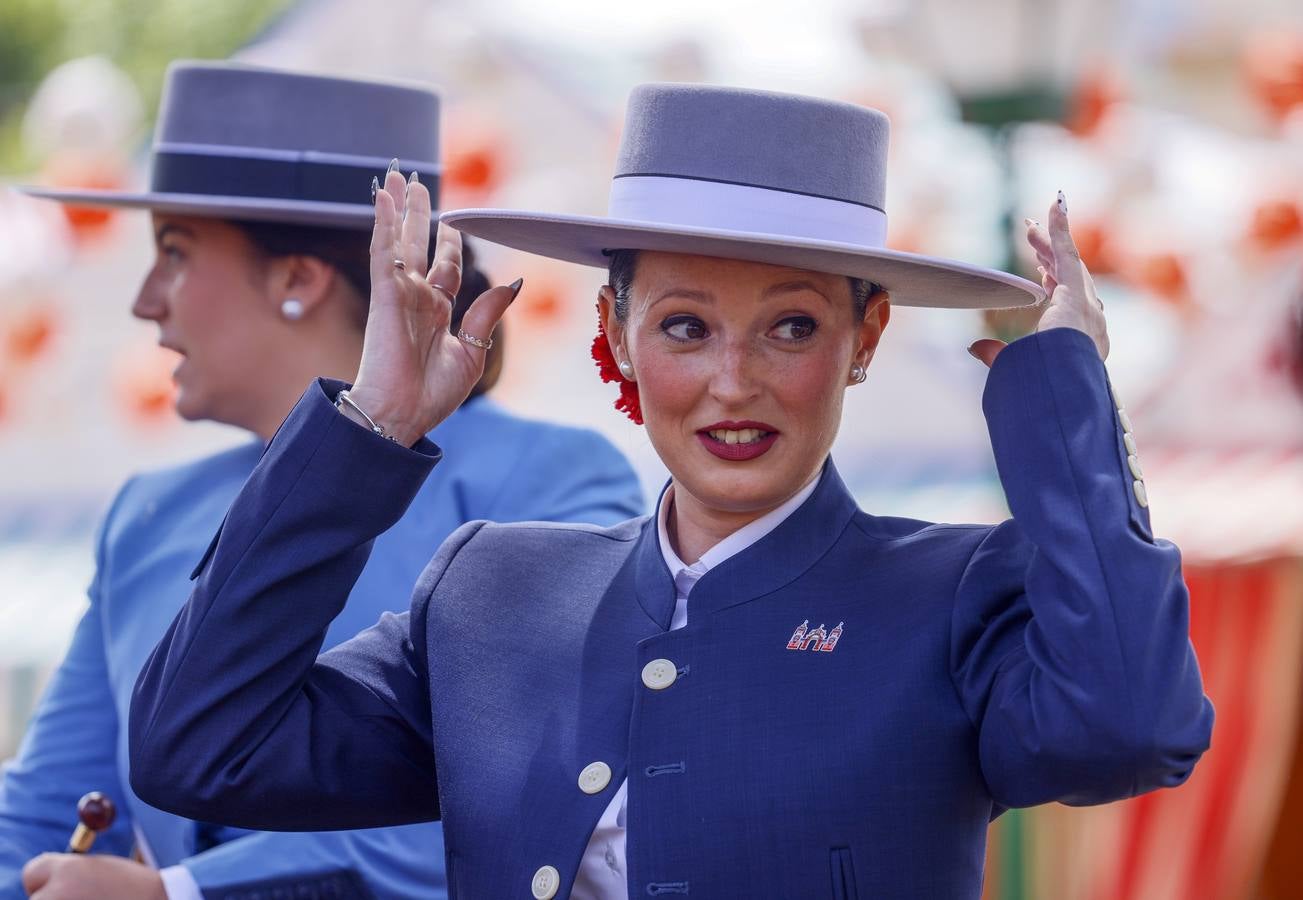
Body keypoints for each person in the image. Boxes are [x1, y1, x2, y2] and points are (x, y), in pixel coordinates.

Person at [128, 83, 1214, 899]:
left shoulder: (954, 591)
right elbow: (198, 744)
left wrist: (1062, 401)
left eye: (791, 326)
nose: (732, 384)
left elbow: (1131, 727)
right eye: (684, 327)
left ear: (863, 336)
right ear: (617, 335)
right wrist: (370, 427)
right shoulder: (491, 595)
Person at [3, 62, 643, 900]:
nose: (145, 301)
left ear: (298, 279)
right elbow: (46, 811)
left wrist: (183, 892)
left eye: (174, 253)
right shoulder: (148, 514)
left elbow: (547, 795)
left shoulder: (546, 478)